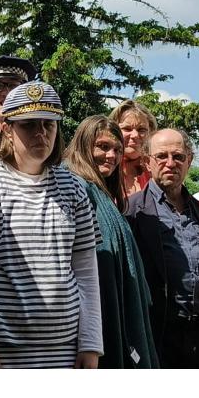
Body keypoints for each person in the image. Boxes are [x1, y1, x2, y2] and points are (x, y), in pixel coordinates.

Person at [0, 82, 103, 368]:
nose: (41, 133)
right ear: (7, 129)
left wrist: (91, 343)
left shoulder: (73, 187)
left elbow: (85, 270)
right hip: (0, 351)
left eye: (49, 124)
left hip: (65, 352)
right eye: (28, 125)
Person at [125, 128, 199, 368]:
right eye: (161, 156)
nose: (170, 163)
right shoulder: (132, 212)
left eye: (178, 156)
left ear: (189, 161)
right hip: (158, 337)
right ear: (147, 162)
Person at [63, 115, 159, 368]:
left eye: (117, 149)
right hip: (92, 318)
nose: (112, 156)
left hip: (113, 306)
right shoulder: (73, 185)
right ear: (84, 146)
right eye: (103, 147)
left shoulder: (100, 190)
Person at [111, 99, 157, 200]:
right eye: (127, 129)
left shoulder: (157, 172)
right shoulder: (102, 171)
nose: (135, 135)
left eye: (142, 130)